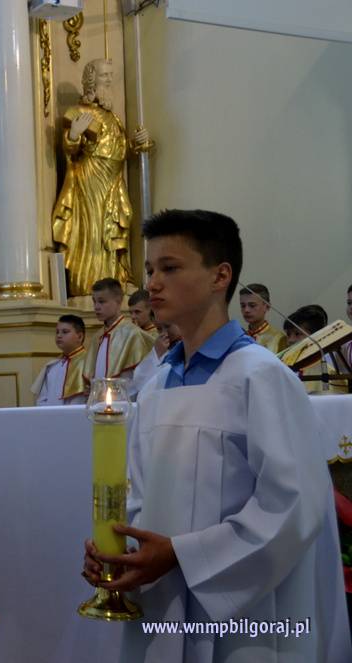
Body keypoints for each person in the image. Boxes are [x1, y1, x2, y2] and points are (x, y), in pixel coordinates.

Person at [82, 209, 350, 662]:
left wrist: (183, 555)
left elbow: (292, 505)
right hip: (162, 602)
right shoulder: (157, 385)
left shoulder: (259, 376)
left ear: (220, 276)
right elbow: (138, 493)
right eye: (150, 270)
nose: (153, 284)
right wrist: (120, 549)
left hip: (245, 616)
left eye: (170, 268)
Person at [51, 58, 152, 297]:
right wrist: (74, 134)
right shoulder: (80, 112)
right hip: (90, 179)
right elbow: (70, 148)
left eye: (110, 75)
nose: (109, 80)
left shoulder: (113, 117)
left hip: (114, 181)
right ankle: (89, 285)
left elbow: (118, 148)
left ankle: (117, 280)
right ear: (91, 80)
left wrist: (137, 144)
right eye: (104, 75)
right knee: (94, 231)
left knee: (116, 227)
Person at [82, 278, 152, 393]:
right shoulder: (96, 338)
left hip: (123, 400)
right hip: (99, 400)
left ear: (119, 302)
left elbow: (140, 378)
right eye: (94, 301)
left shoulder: (132, 334)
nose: (96, 307)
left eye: (102, 301)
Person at [282, 305, 345, 394]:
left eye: (297, 334)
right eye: (288, 334)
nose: (290, 340)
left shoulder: (329, 371)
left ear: (316, 336)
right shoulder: (283, 367)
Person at [31, 314, 89, 405]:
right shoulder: (53, 365)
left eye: (65, 332)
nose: (59, 335)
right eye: (57, 332)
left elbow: (81, 400)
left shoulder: (88, 363)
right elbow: (42, 399)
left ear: (80, 337)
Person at [130, 320, 182, 395]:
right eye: (159, 329)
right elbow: (140, 381)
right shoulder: (160, 347)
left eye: (167, 326)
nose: (164, 333)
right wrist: (158, 353)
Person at [238, 283, 286, 353]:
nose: (246, 310)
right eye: (243, 306)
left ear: (267, 307)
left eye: (252, 305)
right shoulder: (239, 338)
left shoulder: (279, 338)